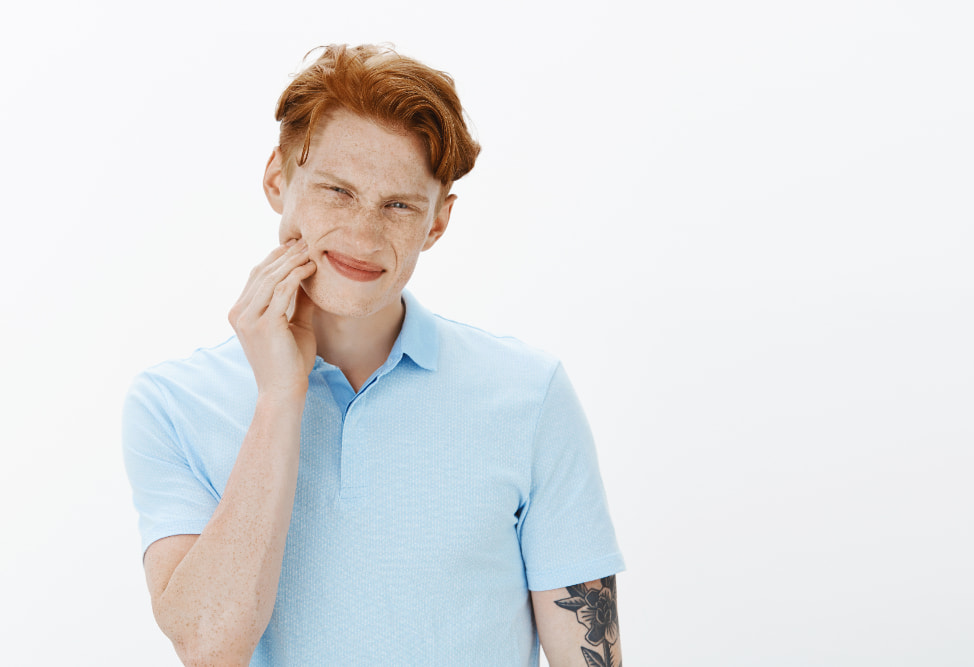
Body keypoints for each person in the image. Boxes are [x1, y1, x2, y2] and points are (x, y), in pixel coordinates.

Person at [122, 43, 625, 666]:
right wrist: (281, 395)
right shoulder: (172, 403)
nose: (362, 235)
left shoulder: (530, 391)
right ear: (278, 179)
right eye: (336, 191)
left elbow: (589, 655)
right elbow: (208, 646)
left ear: (437, 222)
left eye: (398, 205)